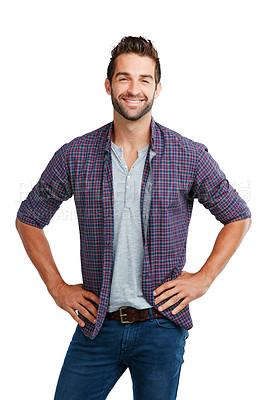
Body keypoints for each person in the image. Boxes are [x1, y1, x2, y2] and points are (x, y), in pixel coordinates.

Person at [15, 36, 252, 400]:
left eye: (144, 79)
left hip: (161, 326)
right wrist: (57, 287)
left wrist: (204, 278)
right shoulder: (75, 155)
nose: (134, 89)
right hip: (96, 326)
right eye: (124, 78)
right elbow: (29, 218)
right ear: (109, 85)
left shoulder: (188, 155)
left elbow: (238, 215)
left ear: (158, 87)